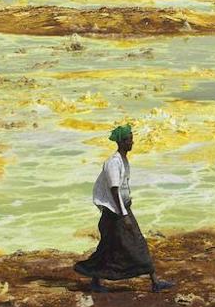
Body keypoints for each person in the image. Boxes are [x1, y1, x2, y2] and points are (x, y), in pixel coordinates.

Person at [74, 123, 174, 293]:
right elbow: (114, 189)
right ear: (121, 143)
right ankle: (154, 282)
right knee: (136, 243)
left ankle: (96, 280)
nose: (132, 143)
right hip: (116, 214)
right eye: (129, 140)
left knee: (109, 247)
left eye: (132, 139)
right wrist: (124, 215)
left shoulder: (122, 160)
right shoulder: (113, 163)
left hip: (120, 210)